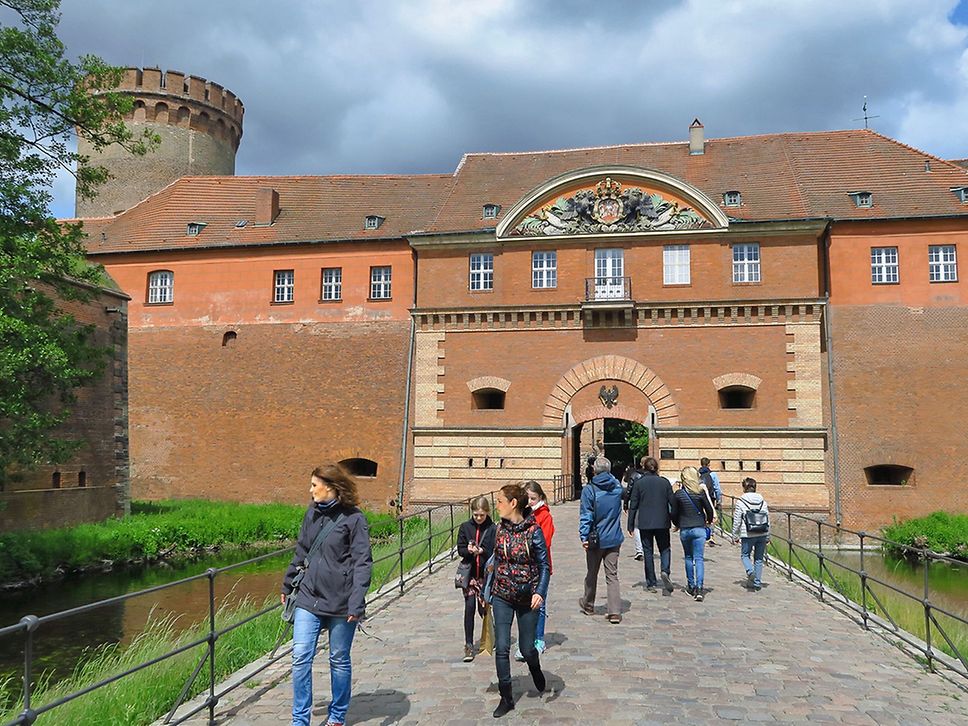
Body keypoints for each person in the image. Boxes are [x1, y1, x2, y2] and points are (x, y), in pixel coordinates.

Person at [282, 464, 373, 726]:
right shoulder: (311, 514)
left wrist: (356, 602)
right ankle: (300, 720)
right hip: (309, 597)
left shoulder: (354, 519)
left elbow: (362, 562)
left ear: (331, 487)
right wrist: (287, 584)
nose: (310, 490)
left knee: (339, 659)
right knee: (300, 656)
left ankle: (337, 716)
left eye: (314, 485)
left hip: (342, 602)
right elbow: (301, 552)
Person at [486, 483, 550, 718]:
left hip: (527, 597)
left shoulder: (534, 531)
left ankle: (535, 667)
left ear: (513, 504)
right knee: (501, 647)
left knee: (526, 648)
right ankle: (506, 697)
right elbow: (488, 553)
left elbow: (544, 565)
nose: (497, 505)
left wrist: (539, 592)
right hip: (502, 595)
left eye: (500, 501)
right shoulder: (498, 529)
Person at [578, 456, 625, 623]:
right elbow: (614, 482)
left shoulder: (589, 490)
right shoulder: (617, 488)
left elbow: (586, 515)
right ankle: (614, 612)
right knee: (612, 575)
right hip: (613, 538)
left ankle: (588, 604)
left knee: (592, 573)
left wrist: (583, 536)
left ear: (594, 470)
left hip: (595, 539)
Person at [627, 456, 675, 593]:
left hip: (645, 522)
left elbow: (634, 505)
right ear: (657, 468)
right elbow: (672, 502)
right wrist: (675, 519)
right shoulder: (665, 483)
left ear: (644, 468)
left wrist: (630, 525)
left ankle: (651, 583)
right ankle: (665, 571)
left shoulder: (639, 483)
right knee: (665, 549)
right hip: (662, 521)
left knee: (648, 552)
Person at [517, 481, 554, 659]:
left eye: (534, 498)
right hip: (521, 567)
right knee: (522, 604)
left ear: (540, 498)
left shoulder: (545, 516)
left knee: (538, 604)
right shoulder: (520, 515)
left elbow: (544, 542)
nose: (530, 501)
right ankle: (524, 641)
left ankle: (538, 639)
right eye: (528, 498)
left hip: (540, 567)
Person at [457, 496, 496, 661]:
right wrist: (469, 550)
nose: (479, 518)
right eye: (476, 515)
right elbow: (460, 549)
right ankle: (468, 644)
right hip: (471, 575)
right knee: (470, 607)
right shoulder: (465, 527)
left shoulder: (493, 528)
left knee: (484, 609)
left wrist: (482, 551)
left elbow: (495, 550)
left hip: (486, 576)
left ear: (487, 512)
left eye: (482, 515)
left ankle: (492, 633)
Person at [670, 466, 714, 602]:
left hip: (685, 528)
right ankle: (700, 588)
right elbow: (709, 510)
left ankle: (691, 585)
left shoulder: (678, 494)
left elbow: (674, 513)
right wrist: (708, 521)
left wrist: (677, 524)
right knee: (699, 559)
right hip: (699, 528)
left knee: (688, 557)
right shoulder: (700, 492)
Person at [731, 477, 770, 591]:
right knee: (758, 558)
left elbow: (737, 520)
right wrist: (768, 535)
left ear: (744, 487)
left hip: (747, 533)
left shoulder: (741, 502)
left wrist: (735, 535)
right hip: (762, 532)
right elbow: (767, 519)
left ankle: (750, 571)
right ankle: (757, 583)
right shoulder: (763, 502)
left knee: (745, 555)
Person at [622, 463, 645, 561]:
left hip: (636, 503)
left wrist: (626, 503)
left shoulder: (634, 475)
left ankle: (639, 550)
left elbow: (629, 490)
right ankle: (647, 547)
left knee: (637, 526)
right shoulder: (653, 475)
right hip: (649, 504)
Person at [698, 457, 722, 546]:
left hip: (700, 497)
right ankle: (710, 535)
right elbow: (717, 489)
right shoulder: (713, 474)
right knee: (711, 516)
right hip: (710, 498)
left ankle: (702, 534)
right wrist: (719, 500)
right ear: (709, 464)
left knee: (702, 515)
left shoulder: (698, 474)